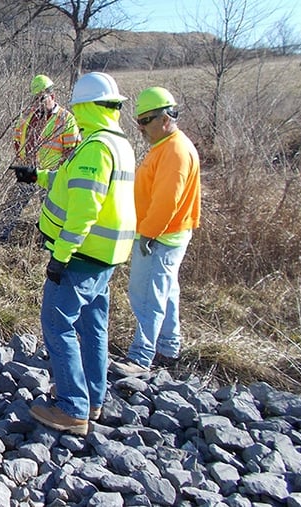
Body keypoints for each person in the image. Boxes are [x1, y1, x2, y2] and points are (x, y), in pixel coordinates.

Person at [13, 72, 136, 435]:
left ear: (84, 105)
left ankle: (71, 407)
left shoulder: (95, 147)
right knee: (93, 327)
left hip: (81, 256)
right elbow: (72, 180)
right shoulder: (116, 143)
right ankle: (93, 399)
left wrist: (61, 256)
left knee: (56, 323)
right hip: (106, 256)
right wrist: (38, 176)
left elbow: (85, 208)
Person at [110, 87, 201, 378]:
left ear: (166, 117)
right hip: (166, 235)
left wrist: (148, 234)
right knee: (166, 292)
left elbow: (167, 200)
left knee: (147, 296)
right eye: (138, 121)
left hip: (159, 237)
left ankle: (140, 357)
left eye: (146, 121)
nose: (141, 128)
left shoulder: (175, 151)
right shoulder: (166, 146)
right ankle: (168, 348)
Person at [0, 74, 80, 242]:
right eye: (35, 99)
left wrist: (61, 173)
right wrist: (22, 160)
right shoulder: (26, 116)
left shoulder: (66, 119)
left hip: (51, 174)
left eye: (42, 98)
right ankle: (0, 237)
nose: (38, 103)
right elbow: (18, 140)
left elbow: (72, 150)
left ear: (52, 96)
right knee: (13, 204)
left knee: (51, 211)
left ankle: (47, 242)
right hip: (29, 170)